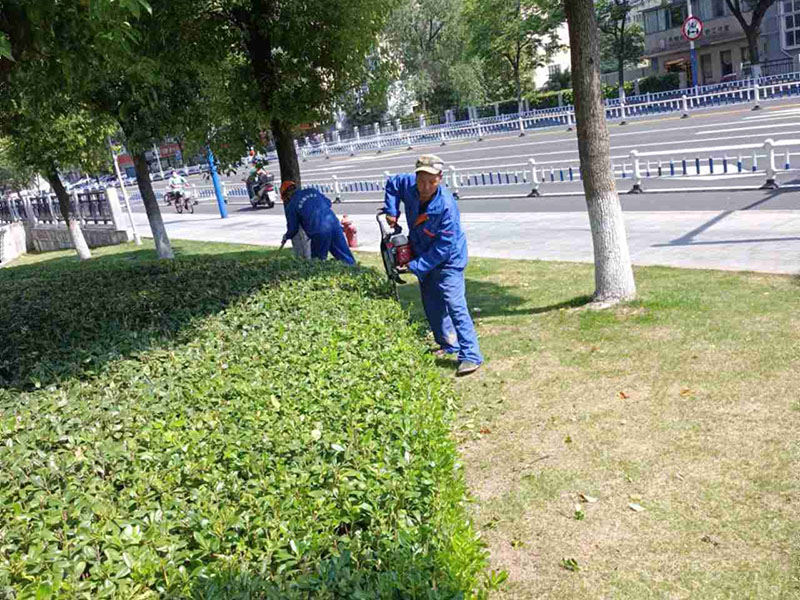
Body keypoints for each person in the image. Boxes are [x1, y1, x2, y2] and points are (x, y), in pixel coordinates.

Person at [383, 154, 483, 377]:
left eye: (431, 181)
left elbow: (445, 246)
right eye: (421, 181)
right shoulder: (408, 184)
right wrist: (392, 211)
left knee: (454, 303)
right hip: (422, 249)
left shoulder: (446, 206)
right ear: (416, 177)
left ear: (440, 178)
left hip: (449, 259)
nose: (425, 187)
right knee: (432, 304)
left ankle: (471, 355)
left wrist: (416, 265)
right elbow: (391, 183)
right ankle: (448, 344)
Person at [280, 181, 355, 265]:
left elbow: (293, 229)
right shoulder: (312, 191)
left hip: (319, 232)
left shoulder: (291, 205)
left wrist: (286, 236)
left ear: (287, 195)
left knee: (318, 262)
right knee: (345, 257)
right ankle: (355, 270)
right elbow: (328, 203)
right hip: (334, 225)